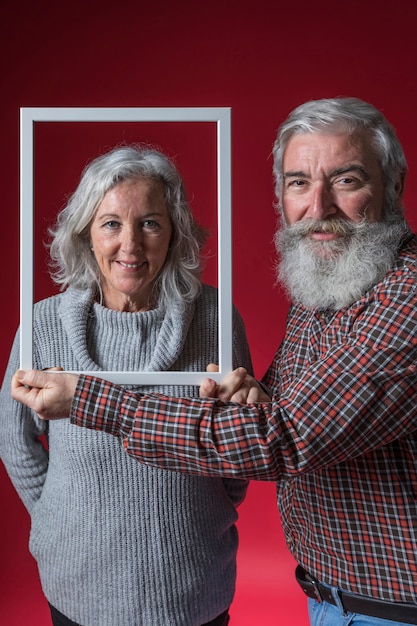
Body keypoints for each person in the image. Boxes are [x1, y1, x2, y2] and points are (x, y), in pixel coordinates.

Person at [10, 98, 417, 625]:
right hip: (331, 597)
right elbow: (272, 411)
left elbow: (275, 439)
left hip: (385, 607)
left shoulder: (402, 300)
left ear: (393, 185)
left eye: (346, 180)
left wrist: (92, 400)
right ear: (86, 232)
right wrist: (56, 524)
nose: (318, 207)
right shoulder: (327, 290)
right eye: (298, 183)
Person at [0, 144, 254, 626]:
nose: (131, 244)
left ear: (174, 233)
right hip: (77, 585)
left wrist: (209, 505)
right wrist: (55, 517)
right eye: (111, 223)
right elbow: (13, 438)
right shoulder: (42, 325)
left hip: (194, 586)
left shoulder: (218, 320)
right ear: (87, 234)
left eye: (150, 223)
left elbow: (240, 440)